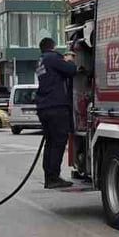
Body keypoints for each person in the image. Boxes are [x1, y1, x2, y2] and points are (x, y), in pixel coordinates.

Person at [35, 36, 80, 189]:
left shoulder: (41, 60)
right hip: (56, 106)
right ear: (52, 47)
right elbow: (71, 70)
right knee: (58, 142)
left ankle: (49, 177)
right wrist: (69, 59)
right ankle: (54, 177)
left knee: (50, 142)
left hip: (44, 107)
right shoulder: (52, 58)